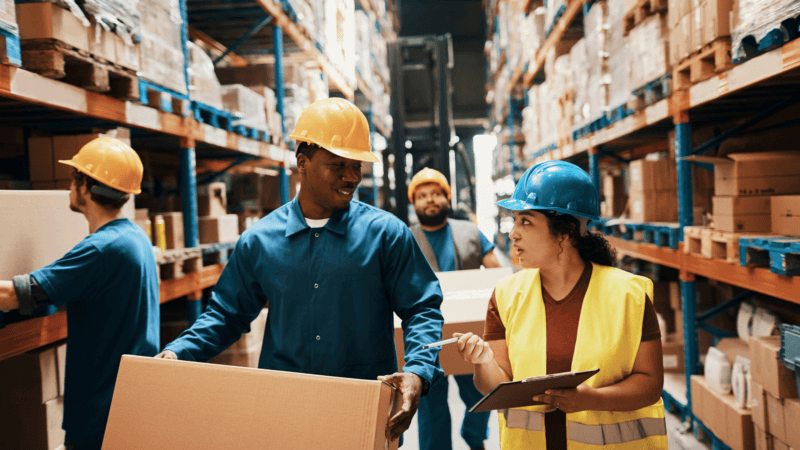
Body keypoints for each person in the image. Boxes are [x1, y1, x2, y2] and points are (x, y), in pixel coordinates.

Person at [155, 98, 444, 442]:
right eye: (338, 165)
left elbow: (421, 308)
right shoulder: (260, 241)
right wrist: (177, 352)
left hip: (365, 402)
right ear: (302, 163)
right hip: (284, 404)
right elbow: (226, 315)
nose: (351, 177)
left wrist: (417, 371)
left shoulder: (385, 235)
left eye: (357, 166)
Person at [454, 160, 667, 449]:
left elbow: (650, 383)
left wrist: (592, 399)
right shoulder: (506, 296)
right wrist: (483, 362)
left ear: (565, 231)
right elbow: (495, 386)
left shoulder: (628, 295)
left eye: (525, 221)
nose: (513, 233)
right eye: (514, 220)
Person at [0, 137, 160, 450]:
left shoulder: (101, 249)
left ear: (86, 187)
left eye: (74, 179)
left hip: (101, 410)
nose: (70, 188)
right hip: (128, 401)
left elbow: (13, 296)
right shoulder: (134, 238)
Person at [407, 167, 501, 450]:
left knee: (481, 396)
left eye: (436, 193)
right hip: (427, 337)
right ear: (414, 203)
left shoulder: (470, 232)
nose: (430, 200)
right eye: (422, 196)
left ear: (447, 198)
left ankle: (474, 437)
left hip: (467, 336)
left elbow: (497, 274)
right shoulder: (404, 239)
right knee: (431, 407)